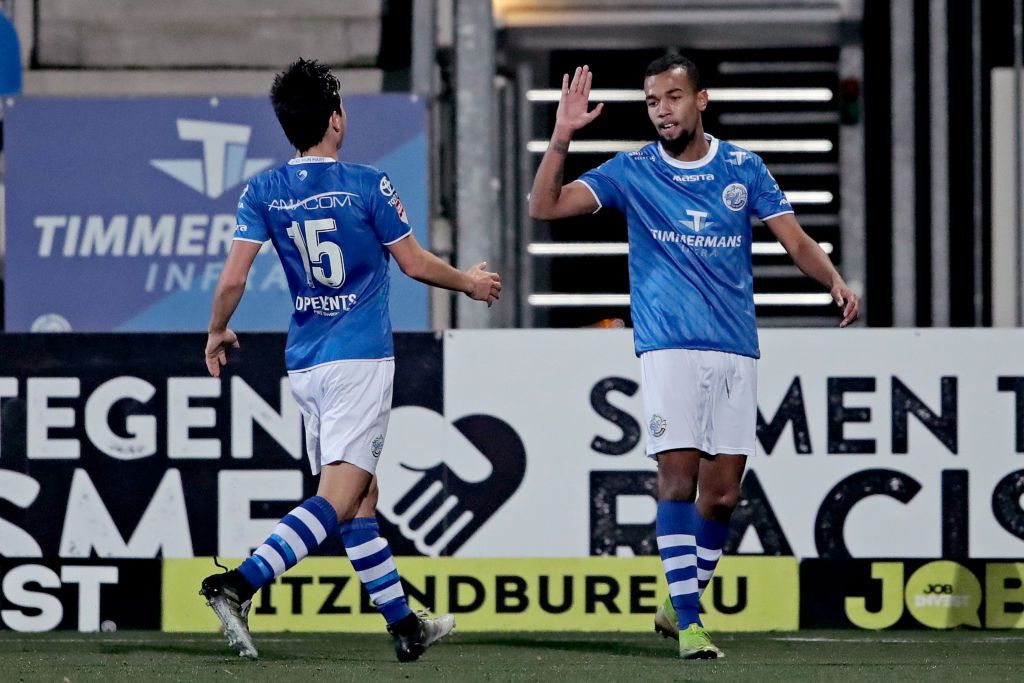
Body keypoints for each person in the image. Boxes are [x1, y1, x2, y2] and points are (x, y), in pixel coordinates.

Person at [528, 55, 859, 660]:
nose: (661, 110)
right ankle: (690, 623)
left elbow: (796, 239)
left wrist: (832, 279)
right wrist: (561, 136)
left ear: (700, 99)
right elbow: (543, 208)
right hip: (669, 347)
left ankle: (675, 601)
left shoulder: (743, 167)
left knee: (724, 494)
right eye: (652, 101)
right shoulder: (632, 170)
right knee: (677, 479)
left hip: (736, 347)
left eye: (672, 98)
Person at [200, 58, 501, 662]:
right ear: (334, 119)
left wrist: (217, 331)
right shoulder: (368, 183)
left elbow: (234, 277)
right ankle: (237, 584)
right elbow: (414, 264)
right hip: (360, 359)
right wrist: (468, 284)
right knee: (338, 497)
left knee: (361, 498)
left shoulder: (264, 191)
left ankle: (403, 626)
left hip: (307, 362)